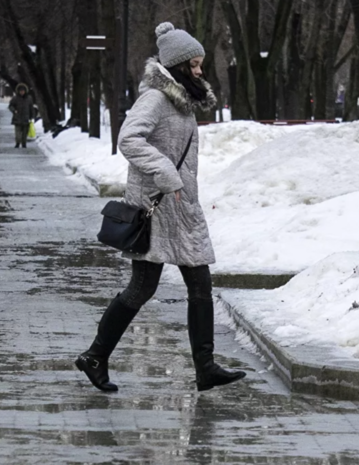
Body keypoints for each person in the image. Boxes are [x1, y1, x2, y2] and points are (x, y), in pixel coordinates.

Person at [75, 22, 246, 393]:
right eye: (195, 64)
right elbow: (128, 139)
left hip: (181, 209)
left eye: (201, 64)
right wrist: (166, 172)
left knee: (198, 285)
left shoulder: (180, 99)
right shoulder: (155, 98)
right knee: (142, 288)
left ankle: (205, 367)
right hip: (156, 208)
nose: (201, 71)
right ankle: (95, 356)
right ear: (178, 65)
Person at [8, 83, 34, 148]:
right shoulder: (15, 98)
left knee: (25, 133)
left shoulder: (29, 98)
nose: (22, 92)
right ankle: (17, 142)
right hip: (17, 118)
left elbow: (31, 108)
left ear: (25, 91)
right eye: (20, 91)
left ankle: (24, 144)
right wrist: (14, 110)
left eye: (23, 91)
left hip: (26, 118)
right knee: (18, 133)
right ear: (18, 91)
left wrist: (32, 116)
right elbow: (10, 106)